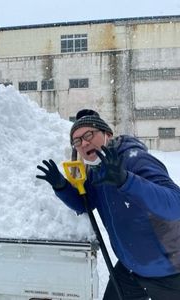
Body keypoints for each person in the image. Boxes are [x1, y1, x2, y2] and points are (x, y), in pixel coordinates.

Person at [36, 109, 180, 300]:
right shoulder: (97, 171)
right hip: (130, 269)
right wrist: (61, 186)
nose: (84, 142)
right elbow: (85, 205)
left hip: (168, 272)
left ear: (108, 135)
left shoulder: (134, 159)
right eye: (77, 141)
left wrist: (126, 180)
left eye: (89, 134)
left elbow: (175, 204)